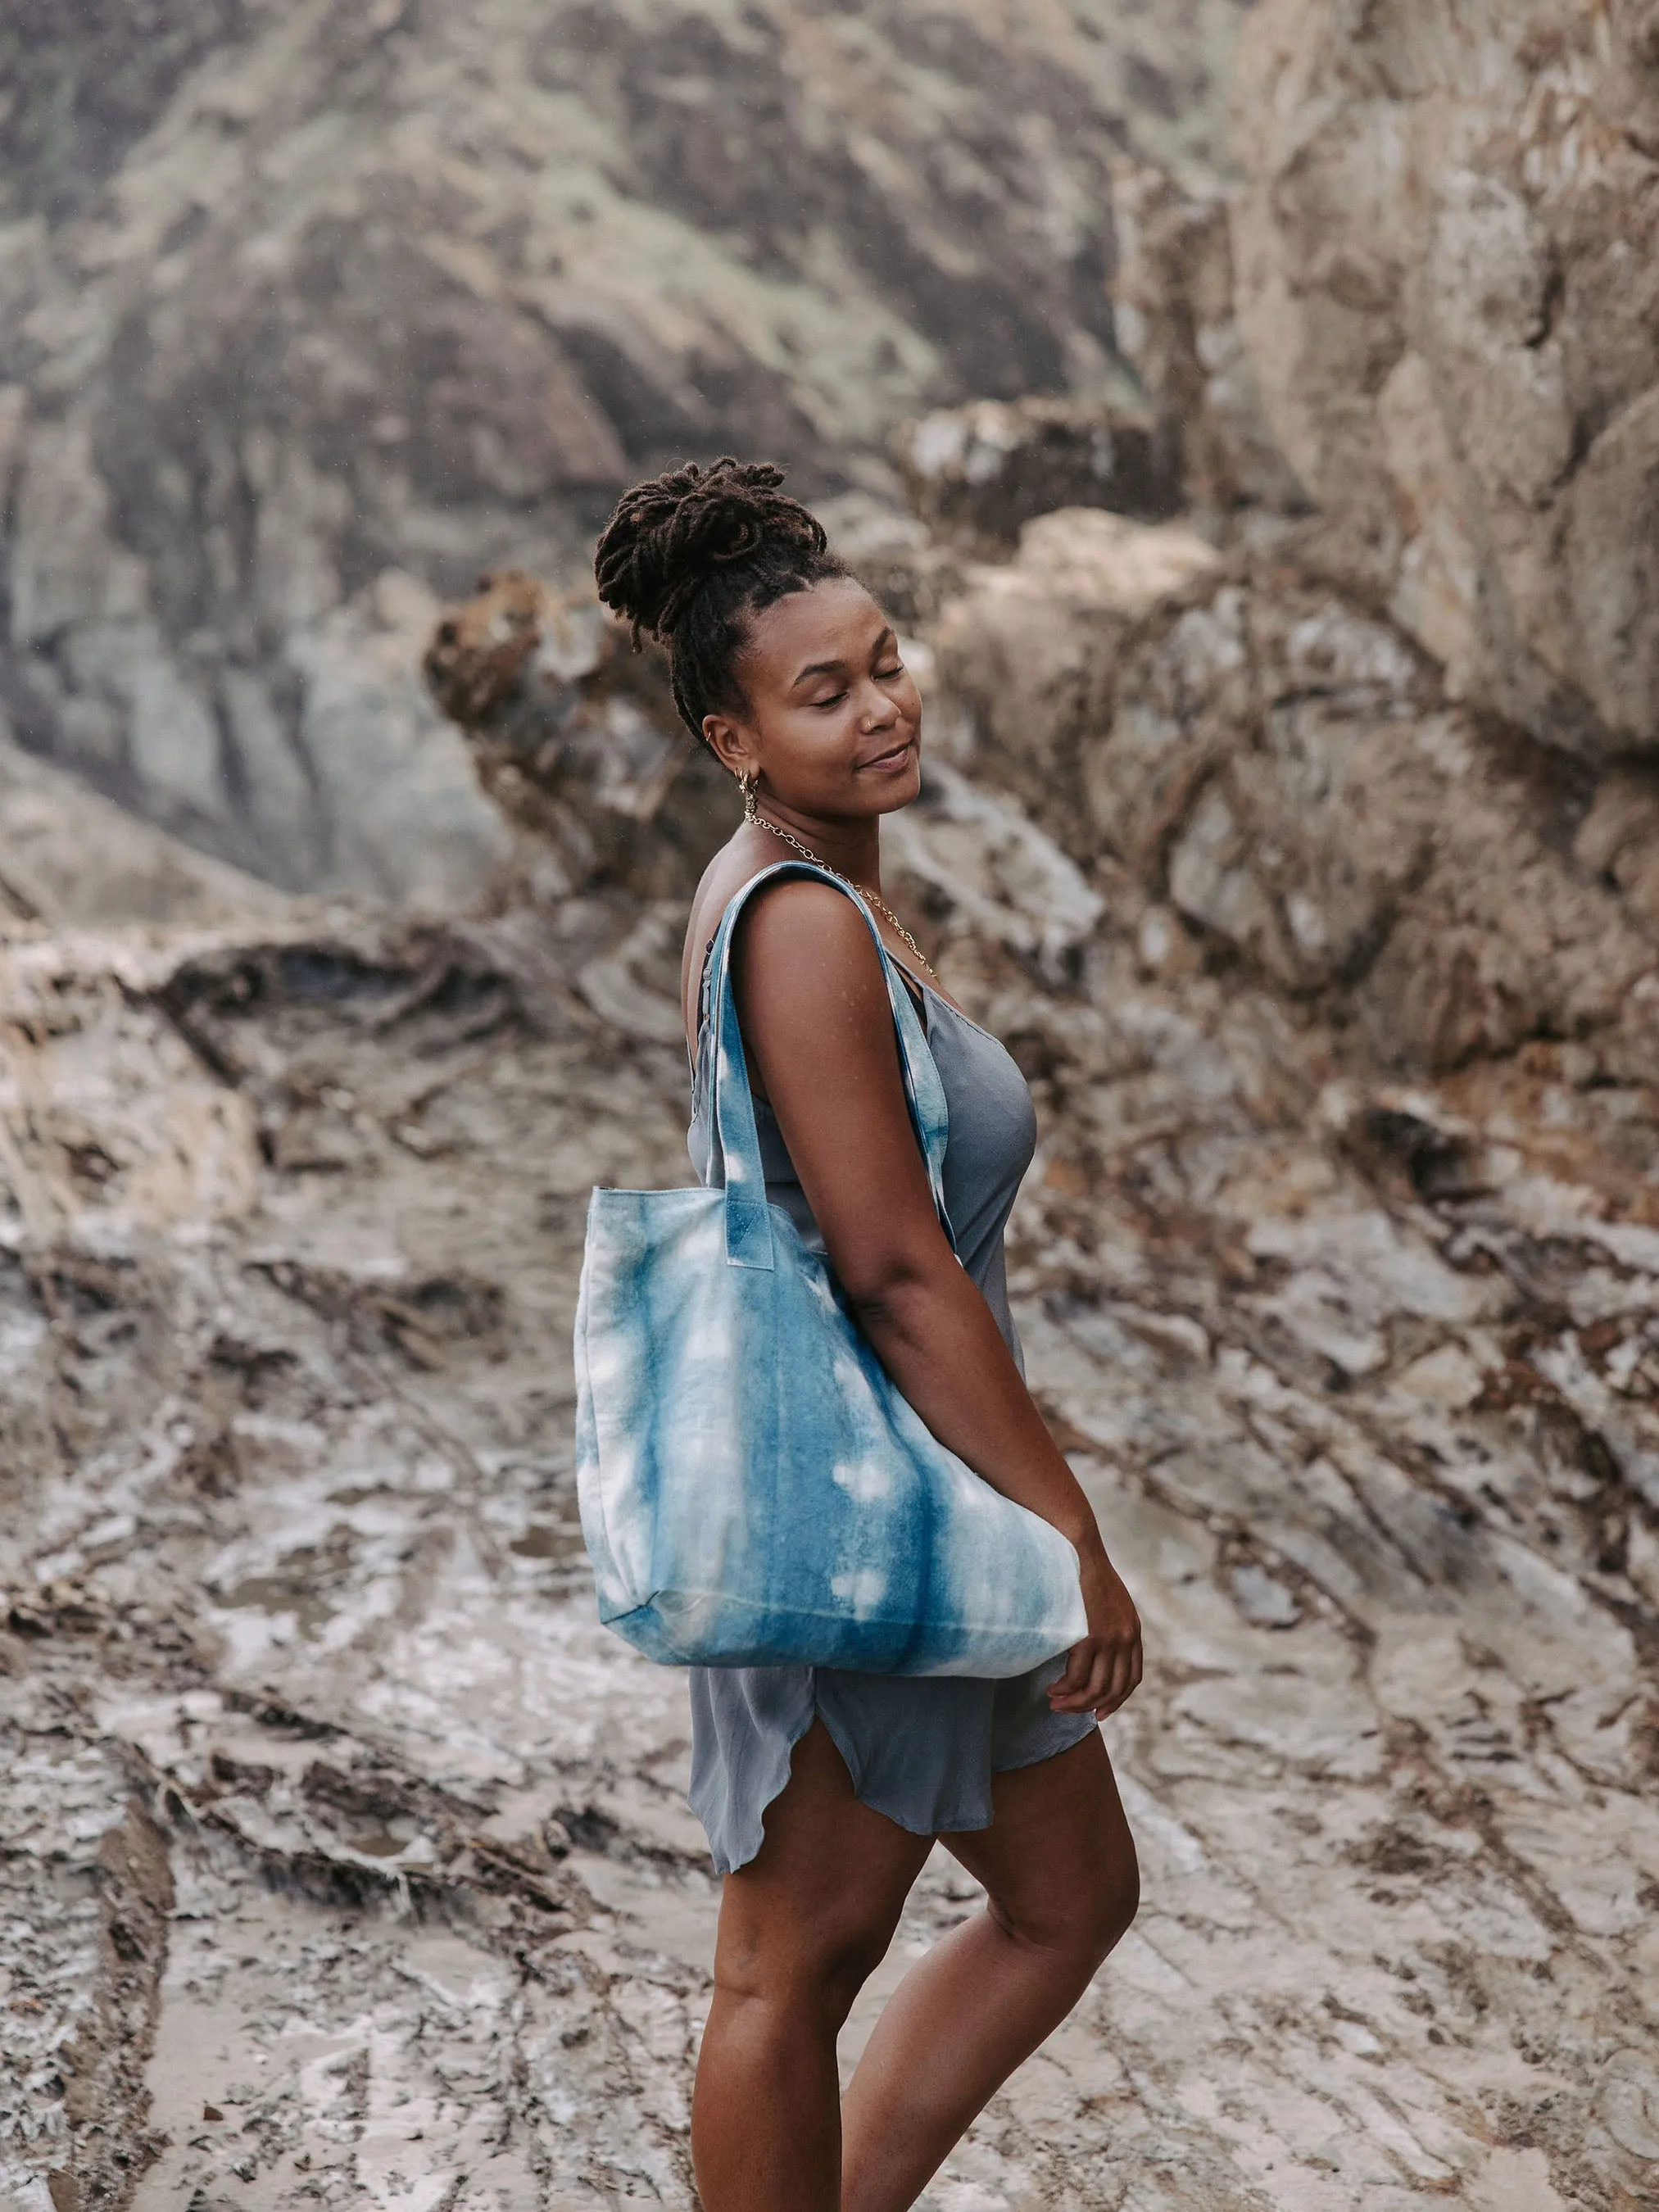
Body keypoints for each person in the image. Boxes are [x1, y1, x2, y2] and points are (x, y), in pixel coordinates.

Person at [592, 457, 1143, 2212]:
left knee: (1068, 1899)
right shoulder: (798, 925)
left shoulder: (830, 887)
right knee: (788, 1968)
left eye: (883, 661)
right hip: (862, 1515)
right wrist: (1074, 1536)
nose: (880, 705)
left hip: (934, 1493)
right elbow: (895, 1274)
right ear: (733, 739)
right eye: (822, 693)